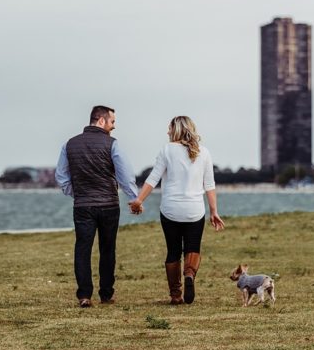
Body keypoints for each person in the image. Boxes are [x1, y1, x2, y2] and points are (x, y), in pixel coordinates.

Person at [129, 116, 224, 305]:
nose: (167, 132)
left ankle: (175, 294)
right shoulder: (203, 152)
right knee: (193, 247)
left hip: (170, 210)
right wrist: (214, 212)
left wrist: (139, 200)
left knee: (173, 251)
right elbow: (209, 185)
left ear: (176, 130)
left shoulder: (167, 150)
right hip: (195, 211)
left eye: (169, 128)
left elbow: (153, 178)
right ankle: (189, 273)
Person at [56, 105, 140, 308]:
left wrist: (78, 192)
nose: (114, 127)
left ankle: (84, 295)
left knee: (82, 249)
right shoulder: (112, 144)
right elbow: (125, 175)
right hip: (109, 205)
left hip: (83, 205)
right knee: (107, 249)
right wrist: (134, 198)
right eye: (112, 122)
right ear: (101, 121)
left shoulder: (69, 144)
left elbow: (61, 177)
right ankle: (106, 294)